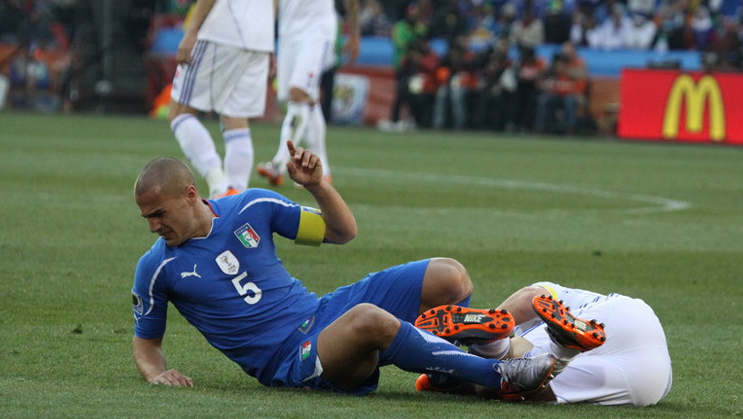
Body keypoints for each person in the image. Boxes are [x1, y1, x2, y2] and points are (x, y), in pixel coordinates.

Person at [131, 141, 558, 398]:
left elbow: (341, 232)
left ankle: (446, 376)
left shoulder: (252, 206)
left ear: (190, 195)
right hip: (290, 361)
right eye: (146, 217)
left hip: (323, 314)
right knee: (369, 319)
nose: (153, 226)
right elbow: (146, 343)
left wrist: (317, 186)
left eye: (158, 213)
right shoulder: (157, 267)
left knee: (450, 276)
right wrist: (156, 372)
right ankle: (498, 376)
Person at [414, 282, 672, 407]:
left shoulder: (558, 308)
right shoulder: (568, 300)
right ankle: (496, 345)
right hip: (643, 354)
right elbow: (532, 297)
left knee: (507, 376)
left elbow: (530, 298)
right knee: (518, 374)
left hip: (641, 378)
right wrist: (499, 315)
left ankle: (491, 344)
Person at [167, 0, 277, 199]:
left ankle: (219, 186)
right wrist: (268, 40)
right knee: (235, 117)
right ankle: (237, 197)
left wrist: (192, 31)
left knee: (179, 112)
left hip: (223, 33)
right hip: (259, 37)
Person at [256, 0, 361, 187]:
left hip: (318, 32)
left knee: (299, 93)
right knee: (304, 101)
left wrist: (354, 35)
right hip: (287, 34)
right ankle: (324, 172)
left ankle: (278, 164)